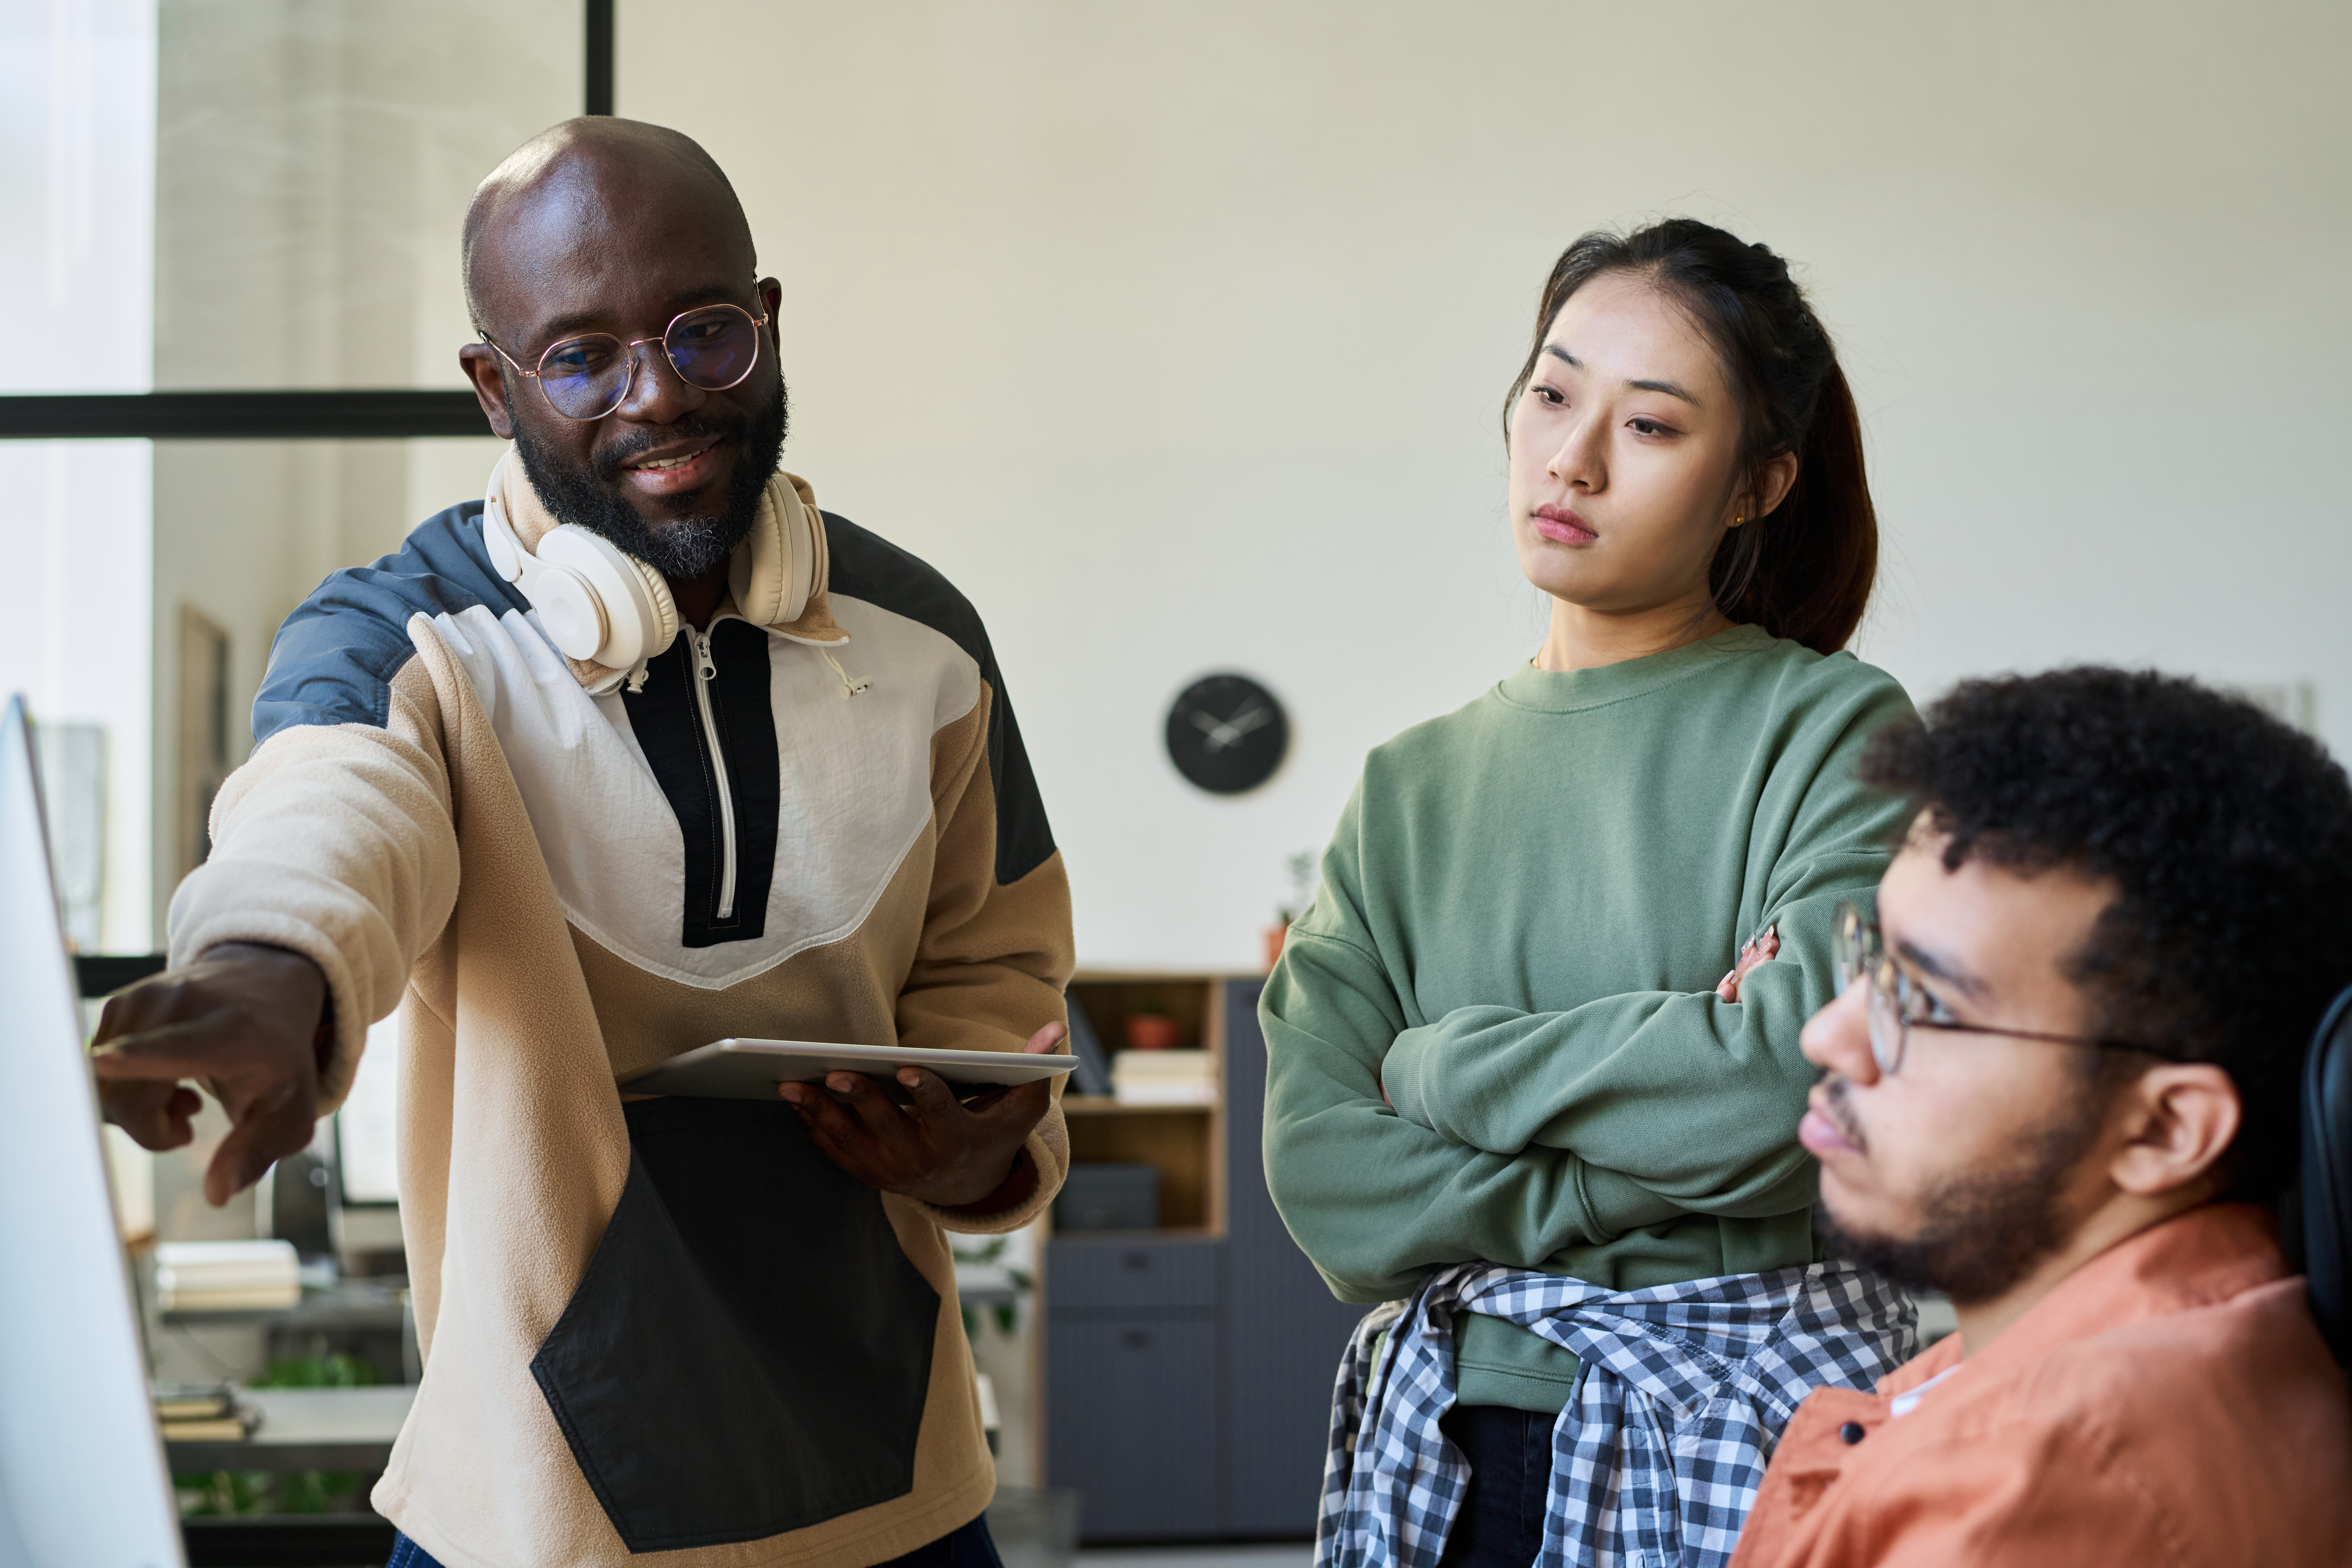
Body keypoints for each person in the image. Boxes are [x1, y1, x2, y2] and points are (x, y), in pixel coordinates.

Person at [92, 118, 1073, 1568]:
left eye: (706, 333)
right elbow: (330, 813)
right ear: (494, 389)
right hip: (539, 1510)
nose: (659, 395)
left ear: (771, 321)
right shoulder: (398, 637)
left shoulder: (926, 639)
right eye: (580, 357)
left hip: (896, 1484)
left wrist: (978, 1152)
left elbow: (998, 971)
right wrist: (265, 963)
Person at [1267, 219, 1919, 1568]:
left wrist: (1442, 1066)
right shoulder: (1409, 786)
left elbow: (1776, 1094)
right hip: (1445, 1446)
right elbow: (1322, 1171)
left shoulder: (1832, 729)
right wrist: (1649, 1175)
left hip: (1742, 1435)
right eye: (1554, 393)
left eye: (1654, 426)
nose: (1571, 457)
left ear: (1757, 484)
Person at [1732, 668, 2352, 1567]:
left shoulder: (2040, 1487)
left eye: (1927, 1004)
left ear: (2165, 1131)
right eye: (1871, 962)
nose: (1831, 1036)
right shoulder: (2135, 1351)